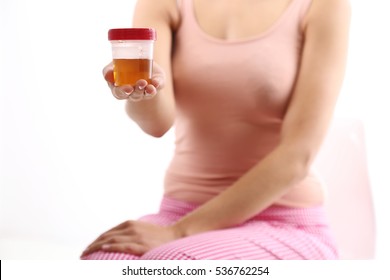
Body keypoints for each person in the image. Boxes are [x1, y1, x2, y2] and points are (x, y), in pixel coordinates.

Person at [81, 0, 350, 260]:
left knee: (173, 264)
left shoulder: (324, 5)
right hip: (179, 212)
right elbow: (156, 123)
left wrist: (178, 233)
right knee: (102, 261)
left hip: (282, 220)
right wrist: (138, 91)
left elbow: (298, 156)